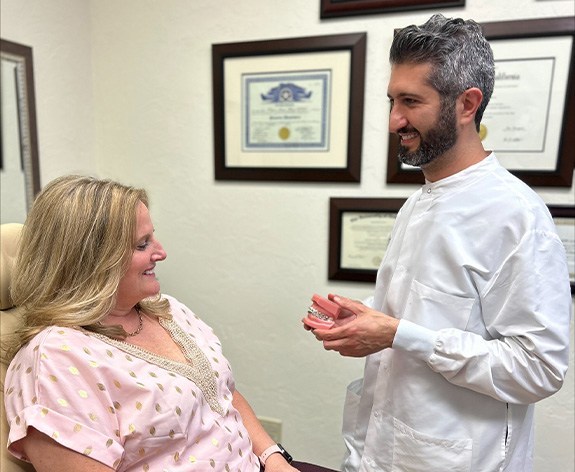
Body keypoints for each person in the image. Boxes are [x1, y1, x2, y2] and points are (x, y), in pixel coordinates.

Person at [306, 14, 572, 472]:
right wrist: (368, 321)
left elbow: (538, 369)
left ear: (467, 104)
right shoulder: (420, 202)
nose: (394, 121)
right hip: (384, 450)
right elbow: (437, 315)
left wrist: (397, 334)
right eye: (392, 100)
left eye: (411, 101)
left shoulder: (516, 216)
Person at [3, 175, 298, 472]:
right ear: (92, 260)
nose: (161, 253)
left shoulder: (169, 310)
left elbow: (224, 395)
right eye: (143, 244)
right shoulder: (56, 359)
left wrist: (275, 459)